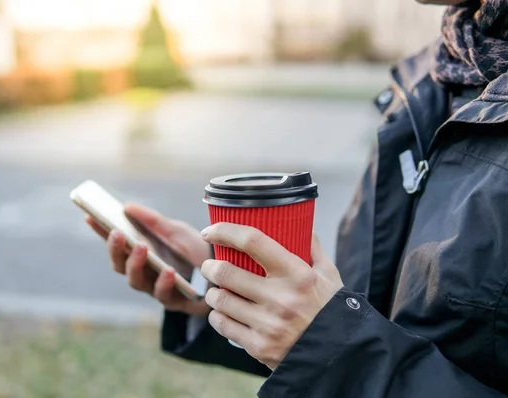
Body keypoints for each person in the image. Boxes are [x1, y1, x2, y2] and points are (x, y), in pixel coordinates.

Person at [87, 0, 508, 396]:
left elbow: (349, 341)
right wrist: (235, 294)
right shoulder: (435, 79)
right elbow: (367, 313)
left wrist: (331, 349)